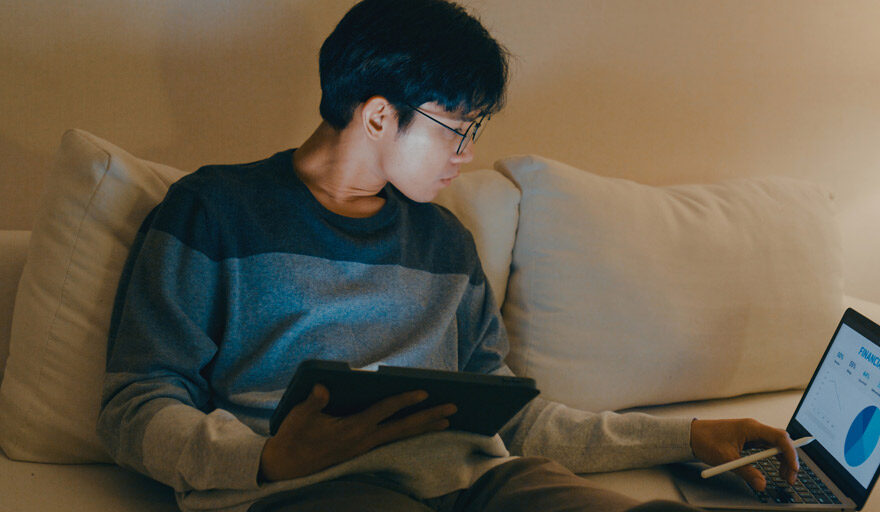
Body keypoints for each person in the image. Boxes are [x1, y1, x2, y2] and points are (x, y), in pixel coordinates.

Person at [97, 0, 800, 511]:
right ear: (377, 115)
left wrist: (691, 435)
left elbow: (516, 418)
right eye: (456, 130)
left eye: (475, 130)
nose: (468, 155)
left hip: (488, 484)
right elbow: (134, 405)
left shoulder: (445, 243)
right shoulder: (211, 212)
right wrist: (267, 458)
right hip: (309, 492)